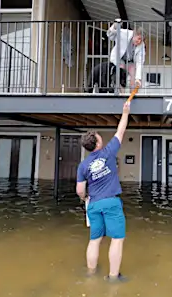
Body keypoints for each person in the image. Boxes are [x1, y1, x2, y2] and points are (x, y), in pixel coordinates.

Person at [76, 100, 131, 283]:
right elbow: (120, 130)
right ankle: (113, 277)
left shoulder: (83, 165)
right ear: (98, 144)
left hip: (93, 204)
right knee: (116, 239)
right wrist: (125, 112)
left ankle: (91, 274)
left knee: (95, 240)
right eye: (100, 137)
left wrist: (85, 198)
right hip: (111, 203)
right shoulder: (108, 152)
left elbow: (80, 190)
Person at [107, 20, 146, 92]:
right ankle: (122, 93)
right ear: (134, 34)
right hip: (120, 58)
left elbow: (140, 61)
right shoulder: (125, 33)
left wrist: (138, 78)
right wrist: (115, 26)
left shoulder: (142, 45)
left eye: (142, 40)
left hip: (130, 61)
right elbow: (110, 35)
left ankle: (132, 94)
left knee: (133, 73)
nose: (139, 41)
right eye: (139, 38)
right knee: (121, 71)